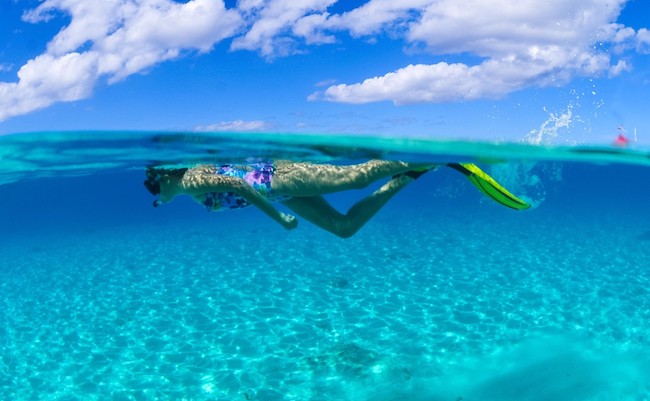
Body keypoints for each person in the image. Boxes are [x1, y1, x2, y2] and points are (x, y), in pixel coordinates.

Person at [144, 160, 529, 238]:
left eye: (151, 187)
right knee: (344, 228)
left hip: (279, 180)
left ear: (162, 176)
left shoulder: (190, 181)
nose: (154, 196)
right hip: (281, 192)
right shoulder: (188, 188)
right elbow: (225, 191)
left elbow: (242, 188)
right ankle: (412, 173)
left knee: (355, 178)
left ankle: (434, 158)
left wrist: (279, 221)